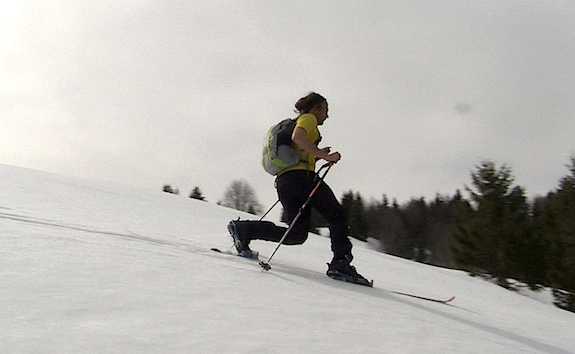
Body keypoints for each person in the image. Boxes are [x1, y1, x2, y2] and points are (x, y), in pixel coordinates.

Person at [227, 92, 367, 281]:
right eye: (325, 110)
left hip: (285, 181)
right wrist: (326, 156)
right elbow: (298, 136)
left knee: (297, 234)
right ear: (315, 108)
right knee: (337, 216)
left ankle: (245, 230)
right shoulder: (308, 119)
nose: (327, 115)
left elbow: (297, 148)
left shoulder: (299, 121)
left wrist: (316, 155)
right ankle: (341, 263)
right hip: (303, 179)